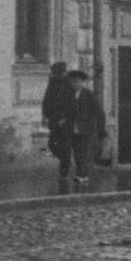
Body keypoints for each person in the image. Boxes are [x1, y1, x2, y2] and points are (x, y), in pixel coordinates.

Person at [64, 69, 108, 191]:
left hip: (86, 129)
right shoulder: (69, 94)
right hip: (72, 129)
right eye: (72, 81)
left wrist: (101, 130)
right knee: (77, 153)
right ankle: (80, 175)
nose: (74, 84)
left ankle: (83, 176)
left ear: (82, 82)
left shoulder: (88, 94)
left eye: (76, 81)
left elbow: (99, 112)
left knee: (84, 153)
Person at [42, 60, 75, 193]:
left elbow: (72, 104)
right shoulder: (53, 82)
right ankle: (66, 162)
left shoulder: (69, 84)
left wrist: (65, 118)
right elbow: (47, 99)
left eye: (58, 72)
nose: (56, 74)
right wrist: (44, 115)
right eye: (55, 72)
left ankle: (64, 174)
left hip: (66, 122)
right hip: (54, 119)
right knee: (52, 145)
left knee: (65, 146)